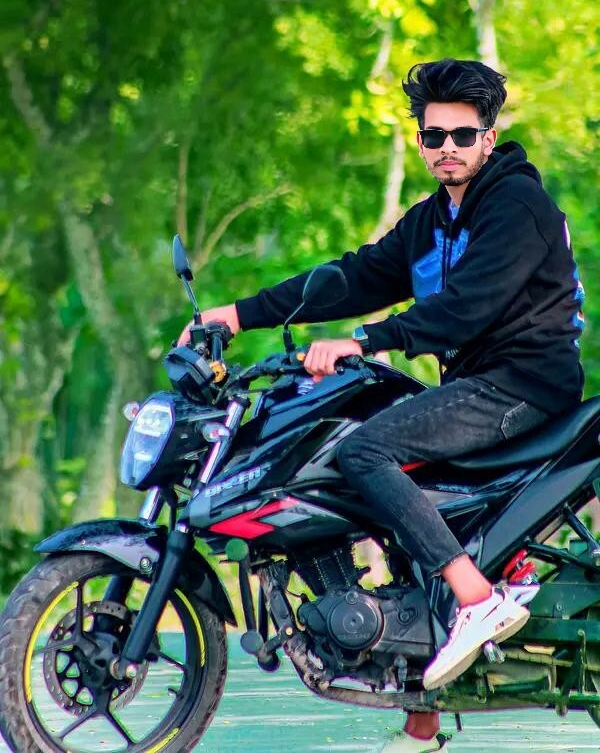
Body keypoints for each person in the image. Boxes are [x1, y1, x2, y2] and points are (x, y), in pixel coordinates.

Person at [179, 59, 584, 752]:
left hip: (524, 383)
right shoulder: (432, 220)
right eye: (434, 136)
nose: (448, 147)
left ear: (488, 138)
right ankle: (421, 717)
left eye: (463, 135)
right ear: (421, 141)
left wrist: (366, 341)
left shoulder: (517, 206)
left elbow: (467, 308)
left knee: (365, 450)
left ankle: (477, 599)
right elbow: (357, 276)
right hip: (473, 384)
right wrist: (238, 315)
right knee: (384, 487)